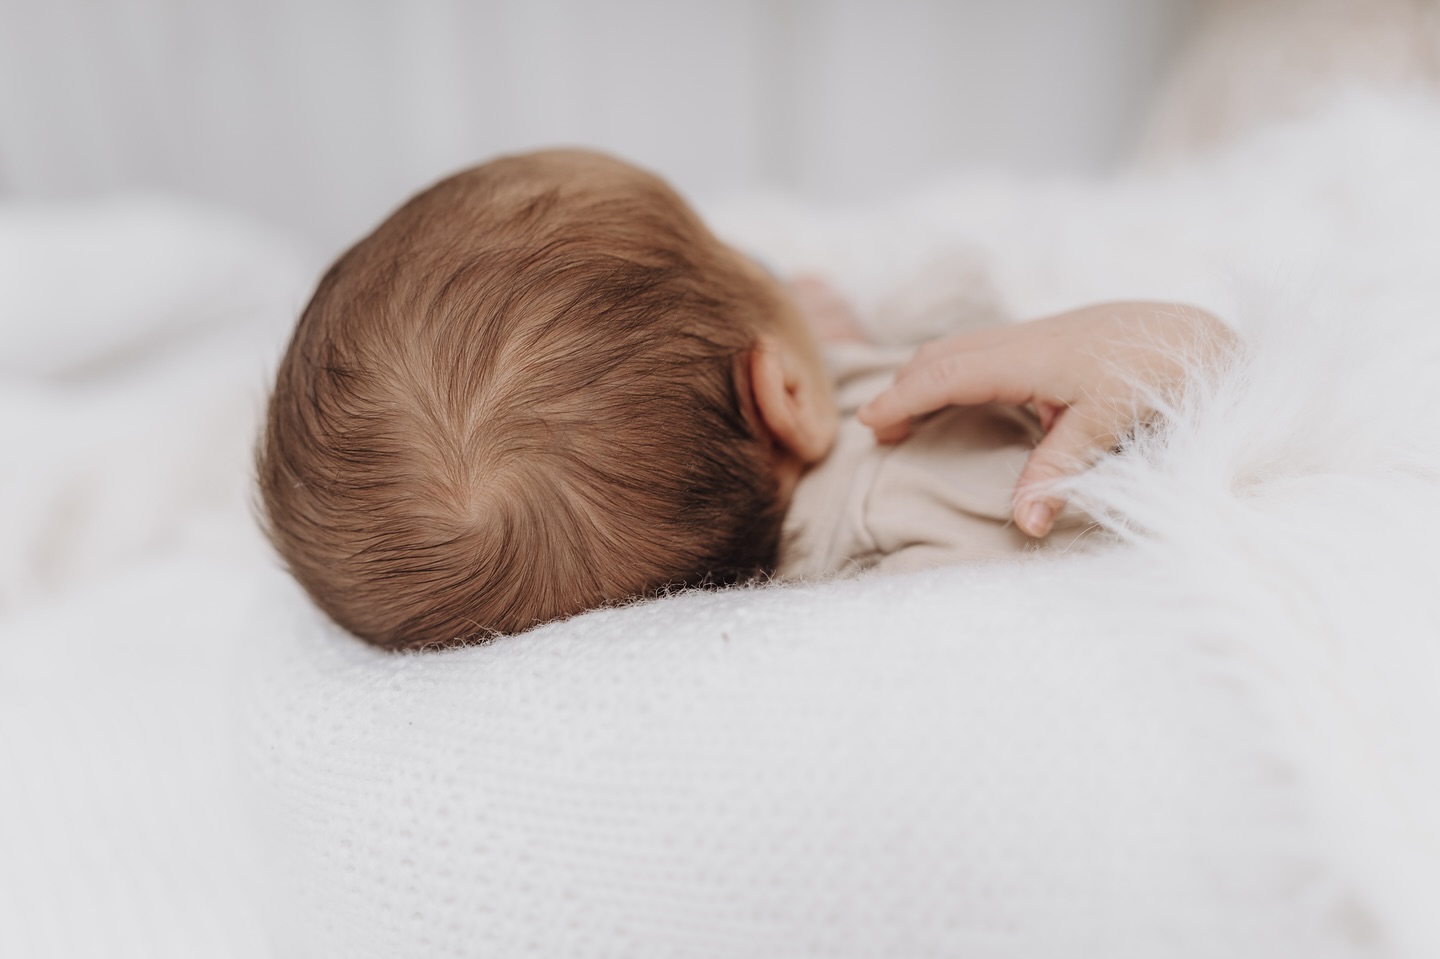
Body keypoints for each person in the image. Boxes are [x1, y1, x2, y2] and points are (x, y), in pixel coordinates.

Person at [256, 149, 1232, 649]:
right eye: (730, 250)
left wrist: (835, 342)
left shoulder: (779, 493)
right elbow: (1169, 473)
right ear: (784, 394)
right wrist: (1154, 345)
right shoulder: (916, 494)